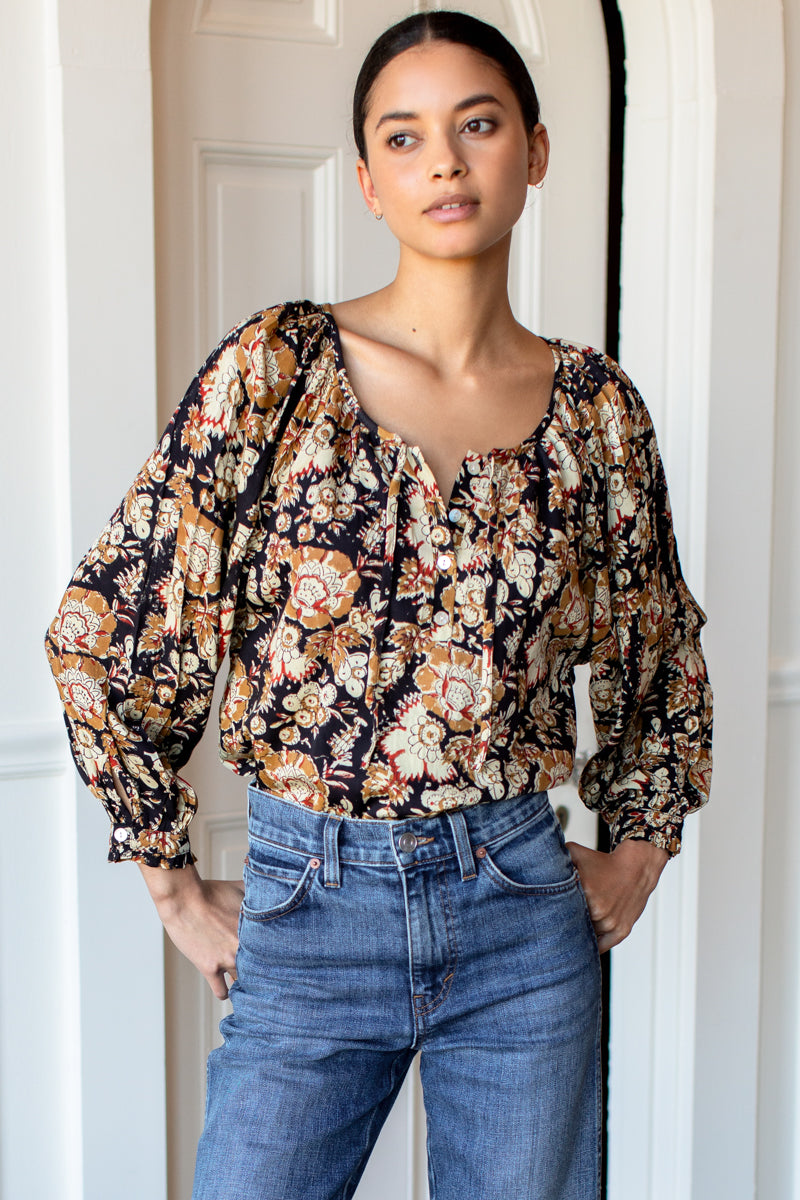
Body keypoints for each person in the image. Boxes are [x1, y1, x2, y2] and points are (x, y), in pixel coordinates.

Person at [45, 10, 712, 1199]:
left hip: (519, 910)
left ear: (534, 151)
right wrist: (172, 887)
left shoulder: (596, 410)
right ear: (365, 180)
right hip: (311, 902)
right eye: (403, 138)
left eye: (476, 125)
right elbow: (108, 623)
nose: (442, 162)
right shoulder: (277, 369)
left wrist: (640, 851)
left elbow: (655, 649)